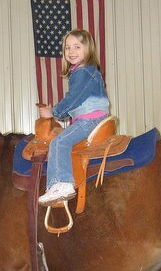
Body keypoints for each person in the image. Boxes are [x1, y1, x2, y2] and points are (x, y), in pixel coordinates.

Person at [38, 28, 110, 206]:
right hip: (93, 118)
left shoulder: (83, 72)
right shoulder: (88, 71)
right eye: (67, 48)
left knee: (58, 142)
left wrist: (53, 112)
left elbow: (73, 99)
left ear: (88, 49)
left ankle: (61, 184)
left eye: (77, 47)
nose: (71, 52)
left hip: (90, 120)